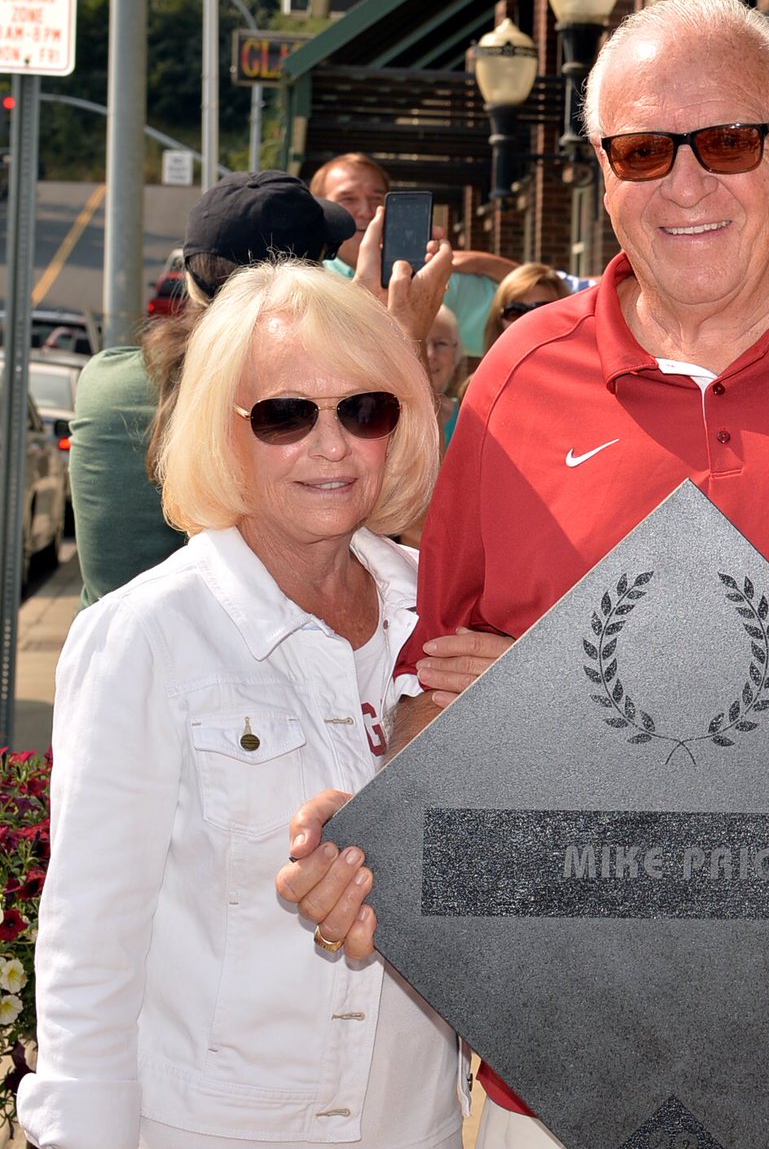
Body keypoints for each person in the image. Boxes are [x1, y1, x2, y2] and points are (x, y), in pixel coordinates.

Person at [279, 0, 769, 1149]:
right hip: (566, 1071)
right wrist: (384, 824)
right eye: (643, 151)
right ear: (604, 175)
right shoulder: (515, 383)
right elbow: (433, 680)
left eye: (729, 142)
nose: (684, 185)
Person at [17, 262, 507, 1149]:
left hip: (414, 1127)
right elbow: (90, 953)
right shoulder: (148, 636)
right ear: (224, 430)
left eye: (364, 410)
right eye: (285, 415)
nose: (331, 446)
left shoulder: (440, 620)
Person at [69, 169, 358, 607]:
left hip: (112, 660)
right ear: (311, 280)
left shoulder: (105, 380)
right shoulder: (325, 404)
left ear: (189, 275)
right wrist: (389, 336)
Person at [308, 152, 521, 355]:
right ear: (323, 207)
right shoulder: (314, 285)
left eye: (377, 198)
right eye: (348, 199)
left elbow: (542, 291)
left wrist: (480, 263)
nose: (366, 210)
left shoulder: (428, 263)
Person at [481, 263, 572, 353]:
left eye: (540, 311)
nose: (526, 320)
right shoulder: (491, 367)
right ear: (499, 322)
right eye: (514, 312)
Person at [425, 305, 468, 447]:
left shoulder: (469, 418)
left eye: (441, 343)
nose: (430, 354)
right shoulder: (385, 419)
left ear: (455, 356)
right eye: (419, 343)